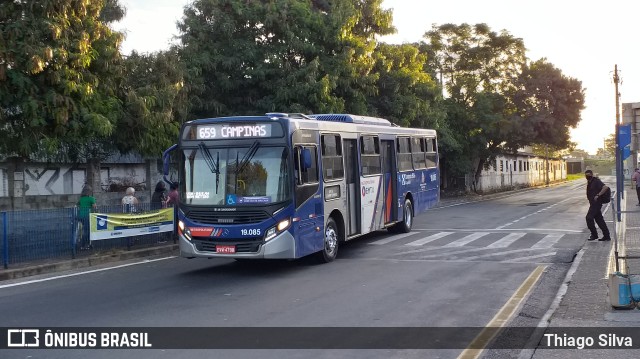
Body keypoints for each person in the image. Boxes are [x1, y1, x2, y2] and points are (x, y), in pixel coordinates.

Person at [585, 170, 611, 241]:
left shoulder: (596, 181)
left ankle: (594, 235)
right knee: (599, 220)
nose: (587, 176)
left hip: (596, 204)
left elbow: (605, 187)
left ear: (591, 174)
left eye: (588, 175)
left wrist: (598, 195)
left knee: (589, 218)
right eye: (586, 175)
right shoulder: (589, 182)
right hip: (593, 203)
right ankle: (607, 236)